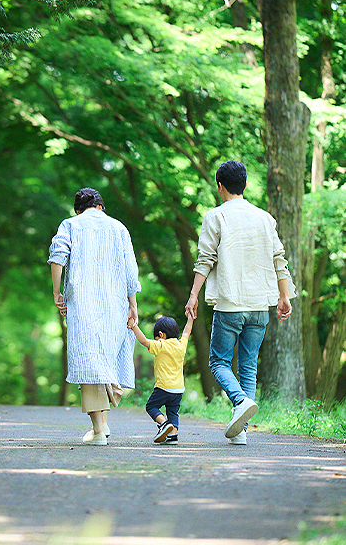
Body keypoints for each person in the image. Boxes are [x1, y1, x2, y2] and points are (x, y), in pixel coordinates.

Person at [185, 160, 295, 445]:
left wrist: (194, 295)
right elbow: (278, 261)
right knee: (248, 366)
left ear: (220, 187)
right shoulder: (264, 218)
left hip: (230, 304)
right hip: (260, 306)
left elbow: (205, 259)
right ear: (245, 185)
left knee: (218, 361)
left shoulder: (215, 216)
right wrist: (284, 296)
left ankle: (238, 402)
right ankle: (241, 431)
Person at [48, 188, 141, 446]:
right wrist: (133, 303)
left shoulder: (70, 225)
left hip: (83, 304)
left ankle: (99, 430)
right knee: (104, 357)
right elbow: (130, 270)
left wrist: (57, 292)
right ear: (102, 206)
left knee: (89, 360)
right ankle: (102, 424)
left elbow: (57, 257)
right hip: (115, 303)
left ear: (79, 209)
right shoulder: (119, 228)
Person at [129, 315, 193, 444]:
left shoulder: (161, 345)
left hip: (163, 387)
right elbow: (187, 331)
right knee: (173, 412)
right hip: (179, 389)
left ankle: (164, 424)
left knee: (151, 406)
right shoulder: (181, 345)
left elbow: (144, 341)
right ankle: (172, 436)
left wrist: (133, 326)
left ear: (161, 334)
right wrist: (191, 318)